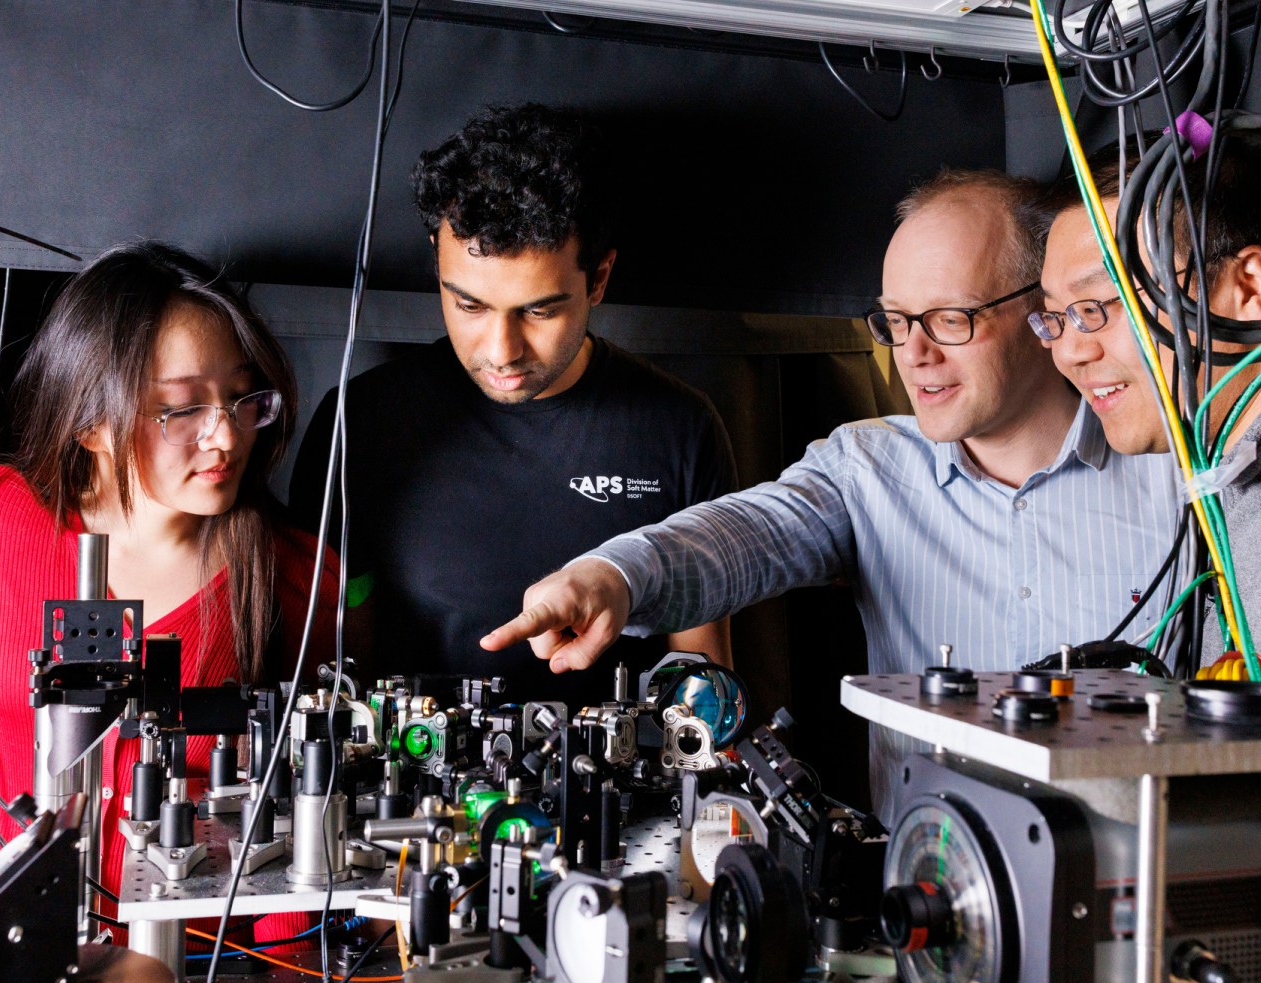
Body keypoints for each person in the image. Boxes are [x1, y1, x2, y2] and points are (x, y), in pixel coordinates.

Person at [482, 168, 1182, 816]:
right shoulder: (868, 468)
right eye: (897, 322)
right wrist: (613, 576)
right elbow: (744, 536)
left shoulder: (1180, 481)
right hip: (933, 907)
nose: (915, 353)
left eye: (950, 319)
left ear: (1043, 316)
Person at [0, 242, 339, 919]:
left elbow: (299, 794)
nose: (226, 437)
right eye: (183, 410)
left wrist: (277, 967)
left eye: (241, 399)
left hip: (172, 958)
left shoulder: (296, 572)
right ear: (89, 423)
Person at [289, 104, 736, 707]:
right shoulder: (362, 422)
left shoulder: (681, 429)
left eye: (539, 311)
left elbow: (702, 684)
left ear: (598, 278)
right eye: (469, 306)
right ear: (437, 261)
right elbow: (328, 676)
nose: (501, 351)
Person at [1034, 132, 1261, 705]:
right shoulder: (1231, 466)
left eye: (1099, 307)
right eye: (1055, 319)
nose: (1070, 351)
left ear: (1247, 287)